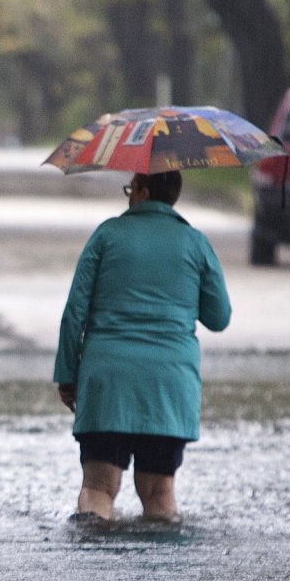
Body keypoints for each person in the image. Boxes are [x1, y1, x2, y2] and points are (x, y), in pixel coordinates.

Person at [51, 168, 232, 523]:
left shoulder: (107, 235)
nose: (128, 195)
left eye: (130, 188)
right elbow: (219, 317)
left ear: (143, 191)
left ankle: (90, 571)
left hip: (108, 381)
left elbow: (75, 312)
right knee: (159, 492)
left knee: (98, 488)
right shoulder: (195, 242)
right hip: (168, 385)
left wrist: (68, 376)